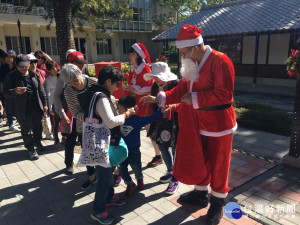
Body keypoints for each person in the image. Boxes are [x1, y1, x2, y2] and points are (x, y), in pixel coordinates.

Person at [142, 24, 237, 225]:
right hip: (197, 122)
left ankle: (218, 202)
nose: (182, 57)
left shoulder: (221, 61)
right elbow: (179, 91)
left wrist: (193, 98)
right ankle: (200, 194)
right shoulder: (191, 63)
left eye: (184, 52)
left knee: (219, 164)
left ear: (195, 47)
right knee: (200, 159)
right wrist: (159, 97)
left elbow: (224, 94)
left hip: (219, 124)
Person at [78, 65, 135, 225]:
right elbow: (110, 122)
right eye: (117, 84)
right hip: (103, 143)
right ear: (108, 81)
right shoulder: (102, 97)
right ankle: (97, 211)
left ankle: (109, 197)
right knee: (103, 178)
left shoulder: (93, 92)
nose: (118, 88)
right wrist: (126, 114)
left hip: (101, 141)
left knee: (107, 173)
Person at [59, 63, 99, 190]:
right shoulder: (68, 91)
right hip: (83, 126)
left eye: (76, 80)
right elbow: (75, 113)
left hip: (101, 123)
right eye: (70, 83)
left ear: (80, 73)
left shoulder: (94, 82)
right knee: (87, 151)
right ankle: (92, 176)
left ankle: (114, 172)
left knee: (105, 149)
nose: (75, 84)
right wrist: (90, 118)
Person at [143, 62, 180, 195]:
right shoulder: (154, 86)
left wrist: (168, 105)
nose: (156, 80)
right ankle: (170, 171)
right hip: (162, 121)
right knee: (162, 146)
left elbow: (182, 102)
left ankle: (176, 178)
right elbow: (156, 103)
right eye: (155, 77)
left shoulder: (176, 84)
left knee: (176, 149)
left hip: (176, 121)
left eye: (158, 77)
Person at [124, 43, 163, 168]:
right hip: (136, 102)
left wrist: (134, 88)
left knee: (149, 130)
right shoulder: (132, 69)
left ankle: (158, 155)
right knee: (136, 129)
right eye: (130, 54)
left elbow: (150, 87)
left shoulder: (146, 68)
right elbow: (131, 84)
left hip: (146, 103)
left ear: (139, 55)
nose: (130, 56)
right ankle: (135, 154)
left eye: (132, 54)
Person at [4, 54, 48, 160]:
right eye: (21, 66)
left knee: (38, 127)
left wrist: (45, 104)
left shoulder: (34, 74)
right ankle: (31, 149)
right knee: (26, 129)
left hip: (36, 106)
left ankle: (38, 142)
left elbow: (41, 90)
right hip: (22, 108)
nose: (24, 68)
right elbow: (5, 92)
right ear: (16, 64)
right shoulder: (11, 76)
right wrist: (15, 91)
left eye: (25, 65)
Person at [117, 96, 162, 195]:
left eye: (119, 107)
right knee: (122, 170)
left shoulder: (137, 119)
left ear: (128, 109)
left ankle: (140, 180)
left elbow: (151, 118)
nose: (117, 110)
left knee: (137, 168)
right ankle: (129, 183)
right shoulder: (118, 120)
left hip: (134, 151)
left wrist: (160, 110)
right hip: (121, 151)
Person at [53, 50, 87, 175]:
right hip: (70, 114)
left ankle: (90, 165)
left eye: (83, 63)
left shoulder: (83, 73)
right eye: (79, 63)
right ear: (70, 63)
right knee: (70, 140)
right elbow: (56, 96)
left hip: (84, 114)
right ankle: (68, 164)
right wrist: (62, 114)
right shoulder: (63, 77)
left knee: (85, 140)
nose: (82, 66)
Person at [45, 60, 63, 148]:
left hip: (63, 102)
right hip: (54, 104)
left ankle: (64, 138)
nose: (55, 69)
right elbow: (48, 94)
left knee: (64, 121)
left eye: (55, 67)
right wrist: (50, 107)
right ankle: (56, 140)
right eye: (52, 68)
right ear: (48, 70)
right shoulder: (48, 80)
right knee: (56, 123)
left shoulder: (61, 76)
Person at [0, 50, 20, 131]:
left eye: (10, 57)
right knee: (8, 106)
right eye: (6, 58)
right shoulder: (3, 68)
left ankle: (20, 121)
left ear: (13, 58)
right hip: (7, 90)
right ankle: (11, 123)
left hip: (17, 89)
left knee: (17, 106)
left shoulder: (17, 67)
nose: (8, 59)